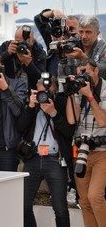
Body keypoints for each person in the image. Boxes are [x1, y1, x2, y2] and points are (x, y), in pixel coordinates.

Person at [17, 75, 75, 227]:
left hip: (55, 159)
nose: (44, 96)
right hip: (33, 158)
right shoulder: (32, 105)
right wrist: (30, 106)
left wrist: (53, 112)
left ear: (56, 92)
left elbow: (69, 132)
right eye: (41, 92)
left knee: (60, 209)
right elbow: (20, 128)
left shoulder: (62, 104)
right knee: (23, 206)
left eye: (49, 92)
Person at [65, 58, 106, 227]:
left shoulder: (104, 89)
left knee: (95, 196)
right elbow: (71, 119)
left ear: (96, 71)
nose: (83, 77)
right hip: (81, 151)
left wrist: (89, 96)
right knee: (84, 200)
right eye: (80, 73)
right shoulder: (78, 90)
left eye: (86, 73)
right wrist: (69, 92)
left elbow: (103, 121)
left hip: (102, 151)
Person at [0, 54, 28, 171]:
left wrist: (6, 89)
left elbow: (18, 111)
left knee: (8, 187)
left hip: (7, 149)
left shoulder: (17, 84)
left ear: (2, 69)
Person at [0, 25, 47, 90]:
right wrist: (7, 54)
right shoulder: (7, 46)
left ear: (32, 41)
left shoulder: (39, 53)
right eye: (18, 41)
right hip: (9, 90)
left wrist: (28, 63)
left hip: (30, 93)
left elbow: (42, 79)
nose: (21, 45)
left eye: (24, 42)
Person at [34, 9, 79, 77]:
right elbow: (38, 20)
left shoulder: (81, 45)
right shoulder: (54, 41)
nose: (67, 31)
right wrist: (53, 12)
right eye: (64, 28)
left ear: (79, 30)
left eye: (71, 29)